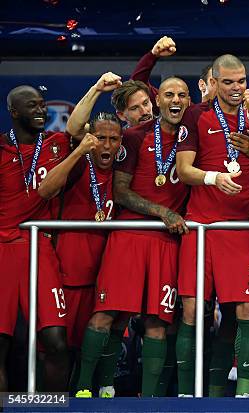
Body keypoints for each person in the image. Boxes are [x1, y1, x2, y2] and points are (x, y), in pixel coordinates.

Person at [74, 76, 191, 398]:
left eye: (182, 95)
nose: (174, 101)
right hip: (130, 235)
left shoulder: (190, 135)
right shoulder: (134, 137)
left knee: (157, 322)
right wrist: (163, 213)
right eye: (168, 95)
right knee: (108, 314)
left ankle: (150, 400)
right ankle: (88, 388)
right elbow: (121, 192)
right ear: (160, 99)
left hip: (167, 242)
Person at [176, 54, 249, 398]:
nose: (235, 88)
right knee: (191, 310)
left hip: (242, 230)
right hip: (201, 227)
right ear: (213, 83)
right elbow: (185, 170)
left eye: (241, 81)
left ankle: (243, 394)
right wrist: (214, 178)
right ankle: (187, 395)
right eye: (227, 82)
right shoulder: (196, 116)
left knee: (246, 309)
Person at [39, 72, 125, 398]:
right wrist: (97, 89)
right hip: (64, 275)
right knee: (56, 351)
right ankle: (48, 406)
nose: (106, 145)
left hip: (99, 278)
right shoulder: (78, 165)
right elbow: (74, 129)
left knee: (87, 351)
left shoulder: (122, 171)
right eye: (100, 138)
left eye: (113, 140)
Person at [0, 85, 72, 391]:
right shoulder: (1, 149)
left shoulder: (56, 145)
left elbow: (79, 125)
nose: (41, 111)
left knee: (56, 342)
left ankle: (56, 409)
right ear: (15, 113)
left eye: (43, 105)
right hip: (2, 250)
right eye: (32, 106)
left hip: (39, 248)